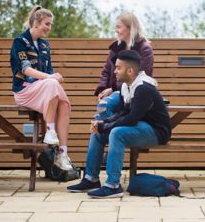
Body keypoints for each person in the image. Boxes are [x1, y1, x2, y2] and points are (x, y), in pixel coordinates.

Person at [67, 50, 171, 198]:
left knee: (117, 133)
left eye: (118, 68)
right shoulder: (125, 86)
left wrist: (106, 126)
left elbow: (132, 118)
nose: (114, 71)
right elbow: (122, 113)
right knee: (97, 134)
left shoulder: (143, 87)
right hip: (140, 126)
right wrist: (102, 123)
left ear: (130, 71)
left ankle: (113, 185)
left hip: (156, 131)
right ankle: (91, 178)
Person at [10, 5, 72, 170]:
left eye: (50, 24)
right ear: (36, 23)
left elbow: (49, 71)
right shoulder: (20, 41)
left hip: (44, 89)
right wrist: (51, 78)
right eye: (47, 23)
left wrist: (54, 76)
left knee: (64, 105)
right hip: (24, 91)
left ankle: (62, 154)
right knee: (52, 82)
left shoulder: (45, 45)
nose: (49, 28)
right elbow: (25, 69)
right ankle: (50, 131)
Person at [94, 12, 153, 122]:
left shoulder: (144, 49)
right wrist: (102, 90)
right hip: (114, 93)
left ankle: (109, 134)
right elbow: (106, 71)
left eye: (119, 27)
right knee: (99, 115)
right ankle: (108, 135)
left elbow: (140, 77)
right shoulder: (116, 48)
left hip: (133, 94)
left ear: (130, 28)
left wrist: (113, 89)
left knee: (104, 107)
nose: (116, 30)